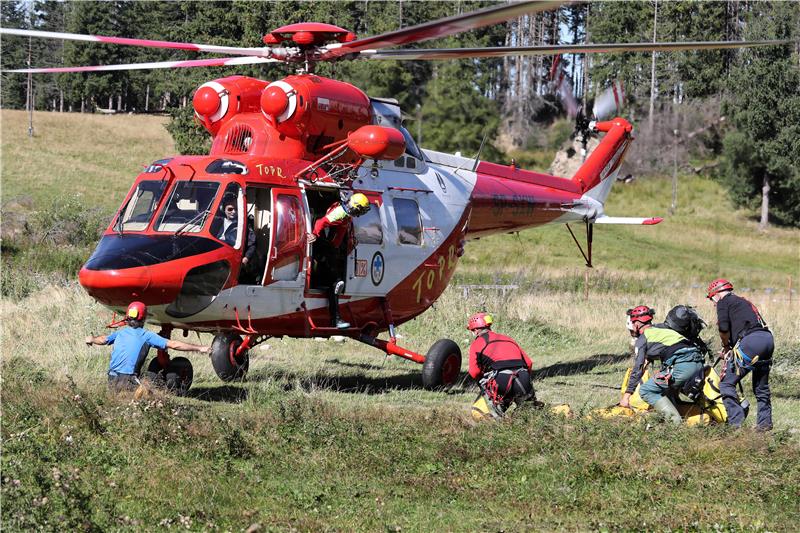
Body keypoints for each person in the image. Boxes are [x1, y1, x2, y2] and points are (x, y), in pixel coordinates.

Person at [84, 301, 209, 393]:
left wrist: (92, 339)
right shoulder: (146, 336)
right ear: (144, 318)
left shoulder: (120, 333)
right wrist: (199, 348)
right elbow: (174, 344)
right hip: (128, 381)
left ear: (128, 317)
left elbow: (103, 340)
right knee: (151, 400)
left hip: (112, 379)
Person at [707, 279, 774, 430]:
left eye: (711, 299)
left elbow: (723, 328)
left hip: (750, 342)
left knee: (726, 383)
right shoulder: (745, 302)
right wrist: (732, 349)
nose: (713, 303)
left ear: (716, 294)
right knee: (761, 388)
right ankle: (764, 425)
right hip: (767, 340)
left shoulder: (723, 302)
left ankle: (735, 425)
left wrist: (725, 347)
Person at [620, 305, 705, 424]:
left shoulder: (642, 339)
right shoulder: (662, 328)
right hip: (698, 363)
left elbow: (638, 368)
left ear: (637, 324)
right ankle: (686, 416)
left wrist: (626, 396)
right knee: (665, 390)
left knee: (646, 390)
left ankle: (674, 423)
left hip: (682, 366)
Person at [307, 193, 370, 328]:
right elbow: (321, 222)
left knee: (334, 281)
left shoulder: (345, 215)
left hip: (328, 247)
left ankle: (335, 318)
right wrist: (315, 234)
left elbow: (339, 234)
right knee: (336, 283)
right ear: (356, 208)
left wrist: (334, 249)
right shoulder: (340, 214)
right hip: (322, 244)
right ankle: (335, 319)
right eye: (361, 210)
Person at [467, 312, 535, 418]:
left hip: (501, 381)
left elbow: (474, 372)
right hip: (523, 378)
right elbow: (529, 363)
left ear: (475, 330)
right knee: (529, 414)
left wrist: (484, 381)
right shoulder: (508, 338)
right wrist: (525, 381)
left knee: (481, 414)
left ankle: (497, 421)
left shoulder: (476, 343)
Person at [215, 195, 256, 273]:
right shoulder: (216, 222)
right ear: (223, 209)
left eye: (236, 209)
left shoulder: (244, 225)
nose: (233, 212)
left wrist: (246, 258)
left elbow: (252, 244)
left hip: (230, 258)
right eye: (230, 209)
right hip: (215, 255)